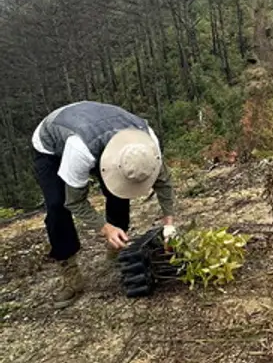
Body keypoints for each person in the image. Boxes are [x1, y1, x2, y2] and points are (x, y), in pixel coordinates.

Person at [30, 101, 176, 308]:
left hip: (98, 132)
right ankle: (69, 270)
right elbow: (74, 201)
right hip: (52, 145)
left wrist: (169, 222)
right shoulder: (81, 150)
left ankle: (115, 248)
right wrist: (104, 228)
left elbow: (165, 182)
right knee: (57, 206)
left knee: (119, 190)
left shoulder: (147, 142)